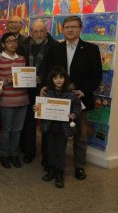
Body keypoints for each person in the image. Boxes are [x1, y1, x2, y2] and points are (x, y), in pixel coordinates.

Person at [43, 15, 102, 180]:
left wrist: (84, 91)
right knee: (55, 133)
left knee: (80, 135)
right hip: (57, 98)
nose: (70, 29)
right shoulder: (55, 49)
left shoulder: (91, 49)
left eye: (74, 26)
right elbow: (48, 72)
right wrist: (46, 88)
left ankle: (79, 166)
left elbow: (96, 75)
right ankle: (53, 165)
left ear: (80, 28)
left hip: (79, 99)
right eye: (67, 26)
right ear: (63, 29)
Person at [0, 32, 29, 169]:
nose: (13, 43)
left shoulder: (22, 59)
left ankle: (14, 154)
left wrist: (32, 79)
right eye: (9, 41)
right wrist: (6, 80)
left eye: (15, 41)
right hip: (6, 101)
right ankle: (5, 155)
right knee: (6, 130)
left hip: (23, 100)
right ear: (3, 44)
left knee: (18, 130)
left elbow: (26, 77)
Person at [36, 66, 81, 189]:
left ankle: (59, 173)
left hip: (63, 128)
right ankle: (51, 170)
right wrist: (37, 109)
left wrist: (74, 114)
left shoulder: (70, 94)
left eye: (61, 77)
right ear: (52, 79)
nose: (59, 80)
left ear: (65, 79)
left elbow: (77, 107)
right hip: (49, 127)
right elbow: (40, 107)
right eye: (56, 78)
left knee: (60, 151)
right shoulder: (47, 92)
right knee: (50, 150)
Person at [20, 19, 57, 165]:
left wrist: (44, 81)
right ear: (30, 32)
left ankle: (46, 156)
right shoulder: (23, 45)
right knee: (29, 122)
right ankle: (29, 152)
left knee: (46, 123)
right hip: (27, 89)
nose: (39, 34)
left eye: (41, 30)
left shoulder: (55, 47)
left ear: (46, 31)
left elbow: (56, 69)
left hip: (45, 89)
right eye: (35, 31)